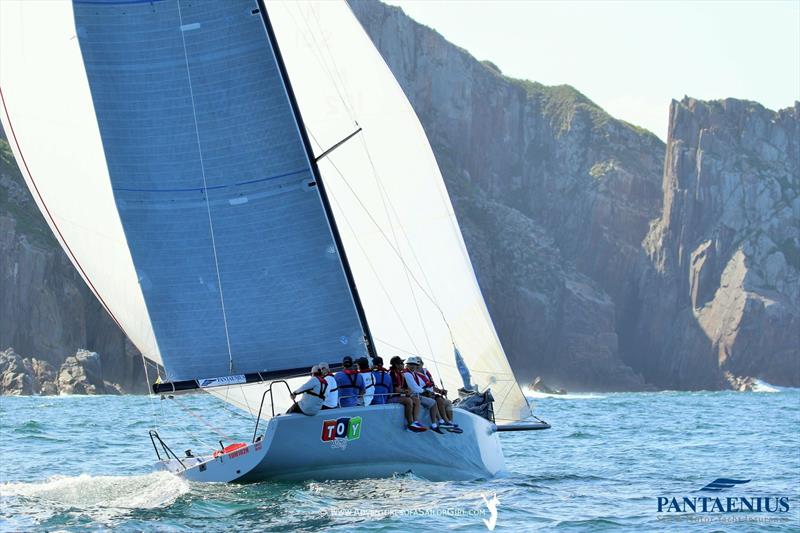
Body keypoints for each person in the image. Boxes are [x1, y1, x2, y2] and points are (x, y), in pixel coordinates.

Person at [403, 356, 449, 433]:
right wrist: (425, 391)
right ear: (406, 365)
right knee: (432, 401)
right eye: (410, 364)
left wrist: (428, 391)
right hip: (413, 395)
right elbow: (415, 388)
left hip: (415, 395)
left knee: (433, 402)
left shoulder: (412, 373)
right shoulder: (407, 374)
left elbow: (419, 387)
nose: (413, 366)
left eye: (414, 364)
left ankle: (436, 423)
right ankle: (416, 423)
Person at [419, 358, 460, 432]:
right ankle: (445, 421)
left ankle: (450, 422)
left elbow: (432, 387)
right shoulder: (414, 374)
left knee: (448, 402)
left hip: (432, 394)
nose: (418, 365)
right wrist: (425, 392)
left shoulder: (426, 372)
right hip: (425, 395)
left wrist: (440, 391)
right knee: (440, 400)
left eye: (419, 363)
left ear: (422, 363)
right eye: (416, 364)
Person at [389, 355, 425, 432]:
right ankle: (410, 424)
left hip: (402, 395)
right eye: (401, 363)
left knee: (416, 400)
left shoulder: (401, 374)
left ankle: (416, 422)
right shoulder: (392, 374)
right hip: (392, 397)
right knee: (409, 401)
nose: (403, 365)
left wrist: (407, 391)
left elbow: (407, 388)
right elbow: (396, 389)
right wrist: (405, 391)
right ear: (396, 365)